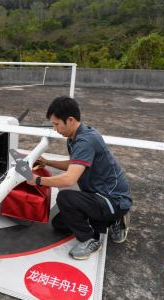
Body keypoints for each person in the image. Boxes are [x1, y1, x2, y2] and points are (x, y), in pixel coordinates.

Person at [27, 96, 132, 260]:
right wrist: (47, 162)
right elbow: (75, 163)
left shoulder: (85, 140)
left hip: (113, 199)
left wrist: (38, 181)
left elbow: (69, 179)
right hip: (97, 194)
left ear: (70, 120)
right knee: (59, 225)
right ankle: (110, 221)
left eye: (56, 124)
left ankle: (91, 239)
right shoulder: (74, 137)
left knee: (65, 197)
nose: (55, 129)